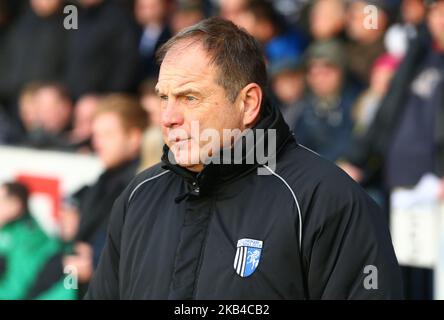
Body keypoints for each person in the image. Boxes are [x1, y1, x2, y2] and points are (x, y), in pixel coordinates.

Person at [85, 17, 402, 300]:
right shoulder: (138, 196)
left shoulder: (327, 201)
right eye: (164, 98)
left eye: (189, 97)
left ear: (248, 103)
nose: (168, 117)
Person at [339, 0, 444, 299]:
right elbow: (388, 111)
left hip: (436, 188)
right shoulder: (418, 54)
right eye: (436, 11)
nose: (440, 20)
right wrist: (358, 159)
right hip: (401, 187)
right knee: (403, 277)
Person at [64, 94, 147, 298]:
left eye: (107, 135)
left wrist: (93, 263)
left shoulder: (142, 186)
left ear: (135, 137)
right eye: (96, 135)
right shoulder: (103, 179)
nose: (97, 143)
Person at [294, 40, 362, 162]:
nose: (319, 79)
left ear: (341, 72)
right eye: (314, 73)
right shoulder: (305, 107)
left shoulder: (356, 103)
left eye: (326, 72)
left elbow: (355, 145)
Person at [0, 182, 62, 299]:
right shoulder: (7, 228)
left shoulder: (29, 238)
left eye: (0, 201)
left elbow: (15, 291)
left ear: (15, 205)